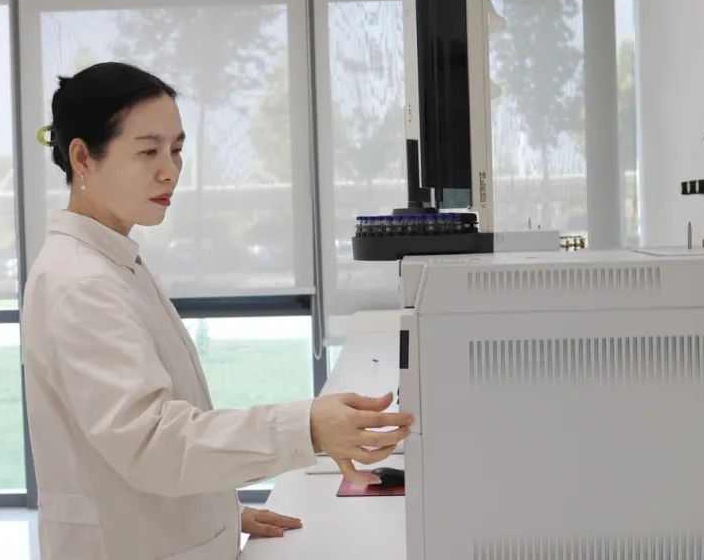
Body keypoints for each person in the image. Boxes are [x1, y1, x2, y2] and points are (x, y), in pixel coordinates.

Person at [21, 62, 413, 560]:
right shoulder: (82, 283)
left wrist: (222, 512)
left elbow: (130, 443)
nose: (170, 170)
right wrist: (308, 427)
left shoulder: (111, 260)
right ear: (82, 157)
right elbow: (152, 443)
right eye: (148, 151)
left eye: (176, 149)